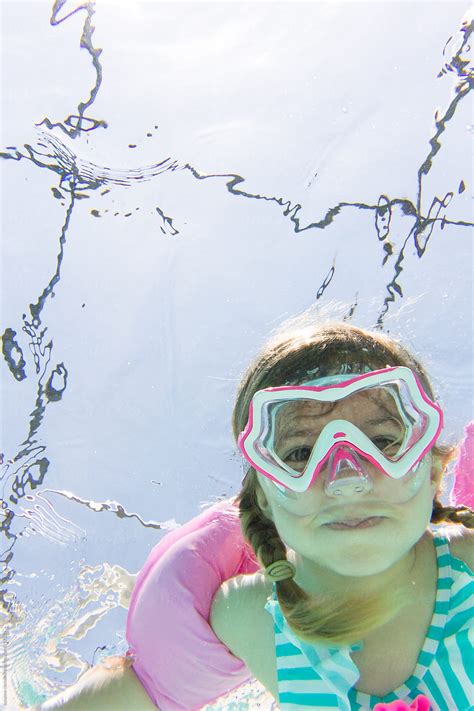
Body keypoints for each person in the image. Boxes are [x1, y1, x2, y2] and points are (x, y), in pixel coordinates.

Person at [33, 320, 473, 710]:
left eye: (382, 443)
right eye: (301, 453)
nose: (348, 479)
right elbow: (135, 694)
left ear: (433, 470)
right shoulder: (249, 618)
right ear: (263, 496)